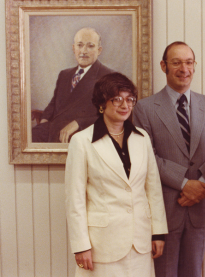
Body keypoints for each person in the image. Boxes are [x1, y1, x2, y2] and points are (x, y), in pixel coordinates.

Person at [133, 41, 205, 277]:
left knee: (194, 273)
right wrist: (185, 184)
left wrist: (200, 186)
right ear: (164, 66)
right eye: (177, 62)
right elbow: (147, 157)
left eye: (189, 62)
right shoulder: (144, 108)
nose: (184, 68)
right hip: (165, 210)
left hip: (199, 209)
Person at [65, 73, 168, 276]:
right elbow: (74, 199)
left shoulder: (142, 137)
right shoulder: (81, 141)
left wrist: (158, 233)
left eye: (130, 99)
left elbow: (153, 189)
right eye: (117, 99)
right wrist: (80, 245)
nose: (125, 105)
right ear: (102, 102)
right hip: (102, 244)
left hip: (140, 242)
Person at [32, 27, 115, 143]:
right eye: (80, 45)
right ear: (73, 48)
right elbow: (53, 104)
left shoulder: (109, 77)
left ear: (99, 50)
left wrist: (78, 123)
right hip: (51, 130)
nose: (84, 51)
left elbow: (111, 117)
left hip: (79, 135)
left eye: (90, 46)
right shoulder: (64, 74)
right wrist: (44, 123)